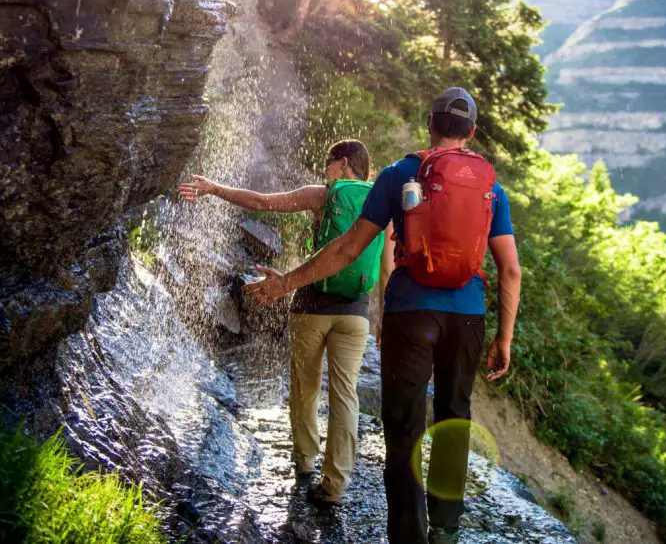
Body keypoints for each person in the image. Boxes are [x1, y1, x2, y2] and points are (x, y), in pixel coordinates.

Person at [244, 88, 522, 544]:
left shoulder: (396, 175)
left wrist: (284, 283)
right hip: (467, 315)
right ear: (471, 132)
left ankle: (407, 535)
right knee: (455, 417)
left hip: (410, 314)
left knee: (404, 423)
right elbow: (509, 270)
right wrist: (504, 338)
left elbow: (348, 249)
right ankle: (446, 531)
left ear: (428, 125)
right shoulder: (491, 186)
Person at [178, 139, 394, 508]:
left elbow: (264, 202)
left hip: (311, 306)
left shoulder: (326, 194)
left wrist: (214, 188)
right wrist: (383, 320)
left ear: (342, 163)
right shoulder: (381, 204)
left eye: (328, 164)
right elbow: (387, 269)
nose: (325, 171)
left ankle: (304, 462)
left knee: (305, 387)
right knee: (345, 395)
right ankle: (335, 484)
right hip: (356, 313)